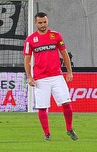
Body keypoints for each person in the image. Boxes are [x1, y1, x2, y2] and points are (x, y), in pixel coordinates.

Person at [24, 11, 77, 141]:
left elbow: (64, 54)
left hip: (56, 76)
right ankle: (47, 134)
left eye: (45, 22)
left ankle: (69, 129)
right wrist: (29, 77)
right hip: (40, 78)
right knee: (42, 107)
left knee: (66, 103)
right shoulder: (30, 40)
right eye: (40, 22)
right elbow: (27, 59)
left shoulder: (56, 36)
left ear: (47, 21)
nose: (43, 25)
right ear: (36, 23)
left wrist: (69, 71)